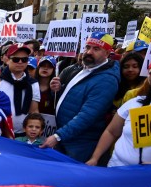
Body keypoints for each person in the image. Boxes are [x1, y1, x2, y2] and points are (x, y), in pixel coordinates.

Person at [41, 32, 120, 163]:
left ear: (107, 53)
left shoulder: (107, 80)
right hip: (67, 139)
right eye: (87, 47)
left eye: (96, 49)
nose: (89, 52)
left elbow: (88, 115)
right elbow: (72, 99)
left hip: (80, 145)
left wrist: (58, 136)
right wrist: (57, 90)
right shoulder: (83, 69)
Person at [86, 57, 151, 167]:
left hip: (149, 178)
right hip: (117, 167)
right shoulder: (135, 103)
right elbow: (111, 132)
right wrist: (94, 158)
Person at [0, 43, 40, 137]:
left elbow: (34, 111)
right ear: (7, 60)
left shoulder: (33, 84)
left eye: (24, 59)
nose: (20, 62)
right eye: (16, 59)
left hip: (23, 134)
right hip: (0, 131)